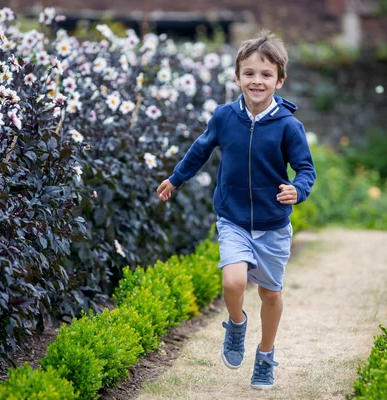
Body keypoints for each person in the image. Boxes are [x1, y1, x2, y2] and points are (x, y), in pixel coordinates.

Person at [156, 29, 316, 390]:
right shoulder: (225, 117)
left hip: (274, 224)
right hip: (233, 218)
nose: (256, 81)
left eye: (265, 74)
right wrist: (176, 178)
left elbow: (306, 169)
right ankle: (237, 323)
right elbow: (200, 150)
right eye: (249, 73)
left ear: (280, 80)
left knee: (271, 294)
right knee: (233, 281)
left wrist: (298, 189)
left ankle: (265, 354)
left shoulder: (289, 126)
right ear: (236, 76)